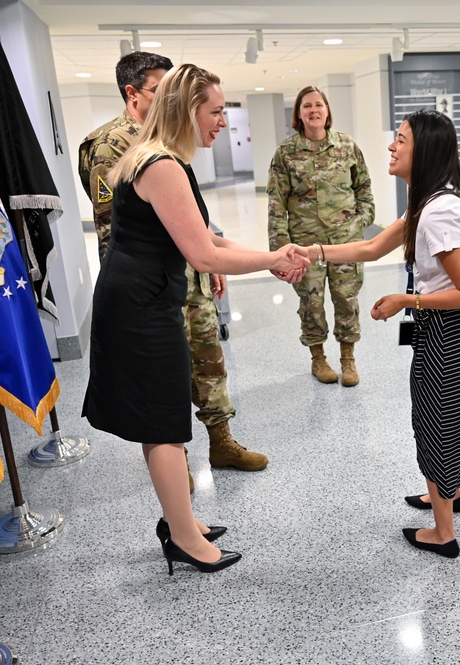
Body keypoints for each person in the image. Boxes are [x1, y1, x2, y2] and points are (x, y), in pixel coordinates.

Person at [83, 64, 308, 575]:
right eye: (215, 111)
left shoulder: (158, 157)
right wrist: (274, 261)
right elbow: (204, 255)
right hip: (140, 307)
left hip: (144, 298)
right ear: (188, 110)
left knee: (156, 418)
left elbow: (208, 239)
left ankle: (180, 520)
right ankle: (184, 539)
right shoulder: (161, 165)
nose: (222, 123)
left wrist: (272, 253)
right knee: (163, 422)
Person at [297, 109, 460, 558]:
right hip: (449, 331)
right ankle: (449, 493)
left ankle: (443, 533)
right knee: (444, 418)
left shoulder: (436, 214)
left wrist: (406, 301)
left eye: (401, 140)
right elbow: (371, 246)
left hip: (450, 332)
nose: (391, 146)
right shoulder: (430, 201)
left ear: (425, 152)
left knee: (437, 425)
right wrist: (313, 251)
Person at [79, 52, 269, 476]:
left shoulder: (170, 145)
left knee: (206, 359)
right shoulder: (119, 145)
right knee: (162, 394)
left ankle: (220, 441)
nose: (166, 96)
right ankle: (176, 467)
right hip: (148, 284)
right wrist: (207, 253)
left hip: (183, 272)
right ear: (135, 93)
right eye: (159, 89)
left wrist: (210, 256)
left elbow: (192, 224)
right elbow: (118, 228)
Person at [267, 86, 375, 386]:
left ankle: (348, 358)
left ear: (327, 110)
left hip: (345, 244)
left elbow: (364, 187)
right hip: (304, 246)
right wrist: (279, 252)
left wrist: (362, 220)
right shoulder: (286, 153)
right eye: (307, 106)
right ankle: (318, 358)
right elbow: (276, 204)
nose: (314, 110)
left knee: (347, 299)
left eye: (319, 105)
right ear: (298, 114)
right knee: (311, 304)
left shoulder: (347, 145)